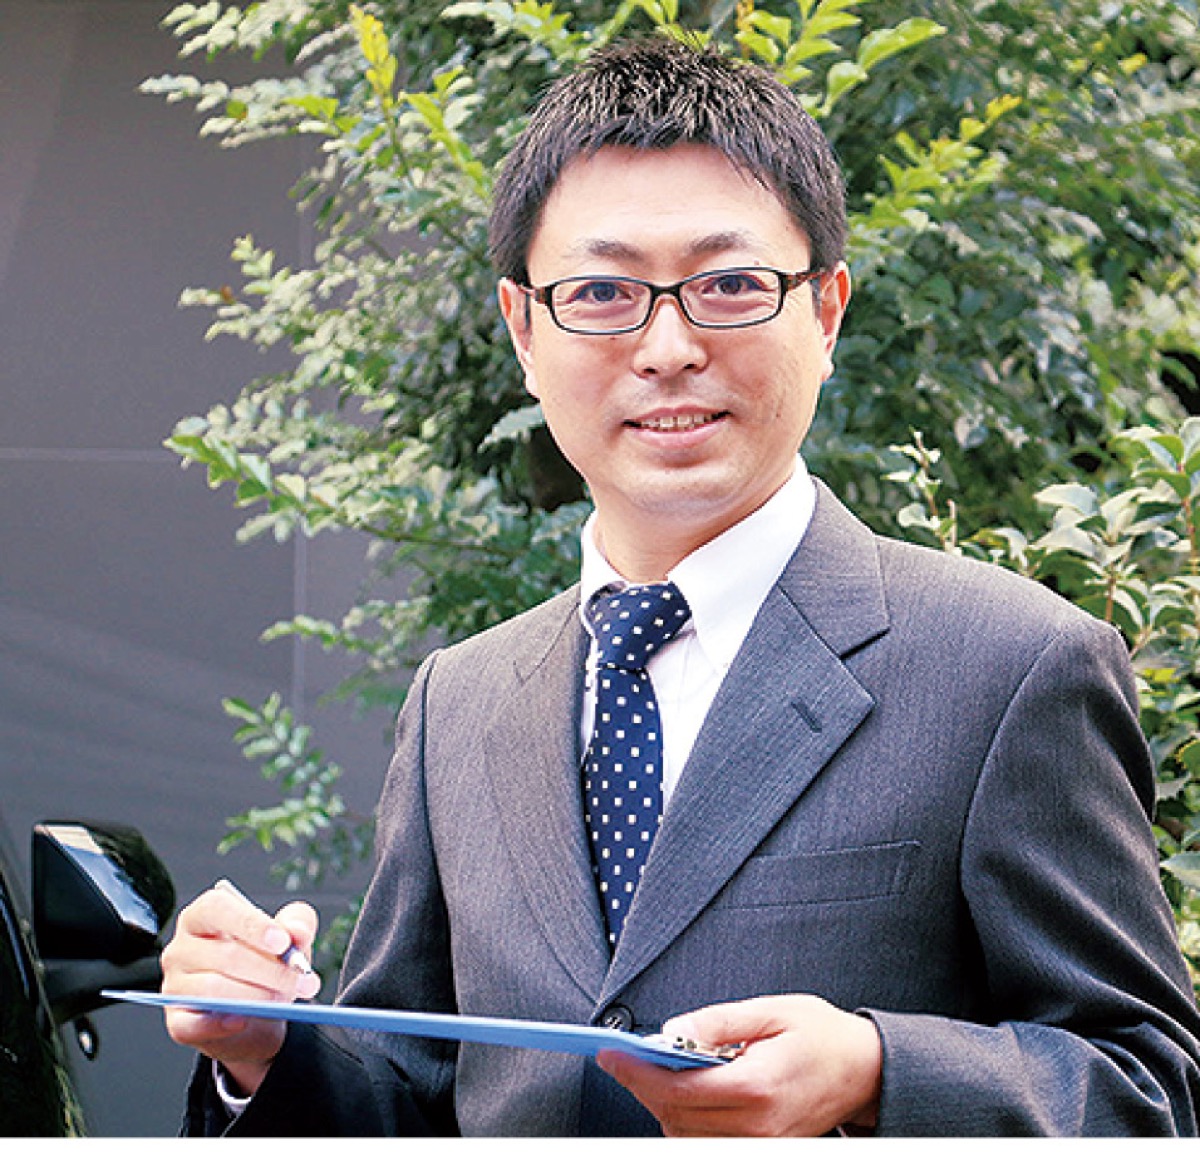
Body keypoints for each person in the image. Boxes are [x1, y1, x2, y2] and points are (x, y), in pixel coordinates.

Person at [161, 35, 1200, 1137]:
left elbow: (1151, 1091)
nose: (667, 347)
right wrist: (264, 1052)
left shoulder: (1010, 666)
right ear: (523, 330)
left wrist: (876, 1070)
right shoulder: (461, 700)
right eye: (602, 291)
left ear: (827, 311)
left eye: (730, 284)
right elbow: (410, 1097)